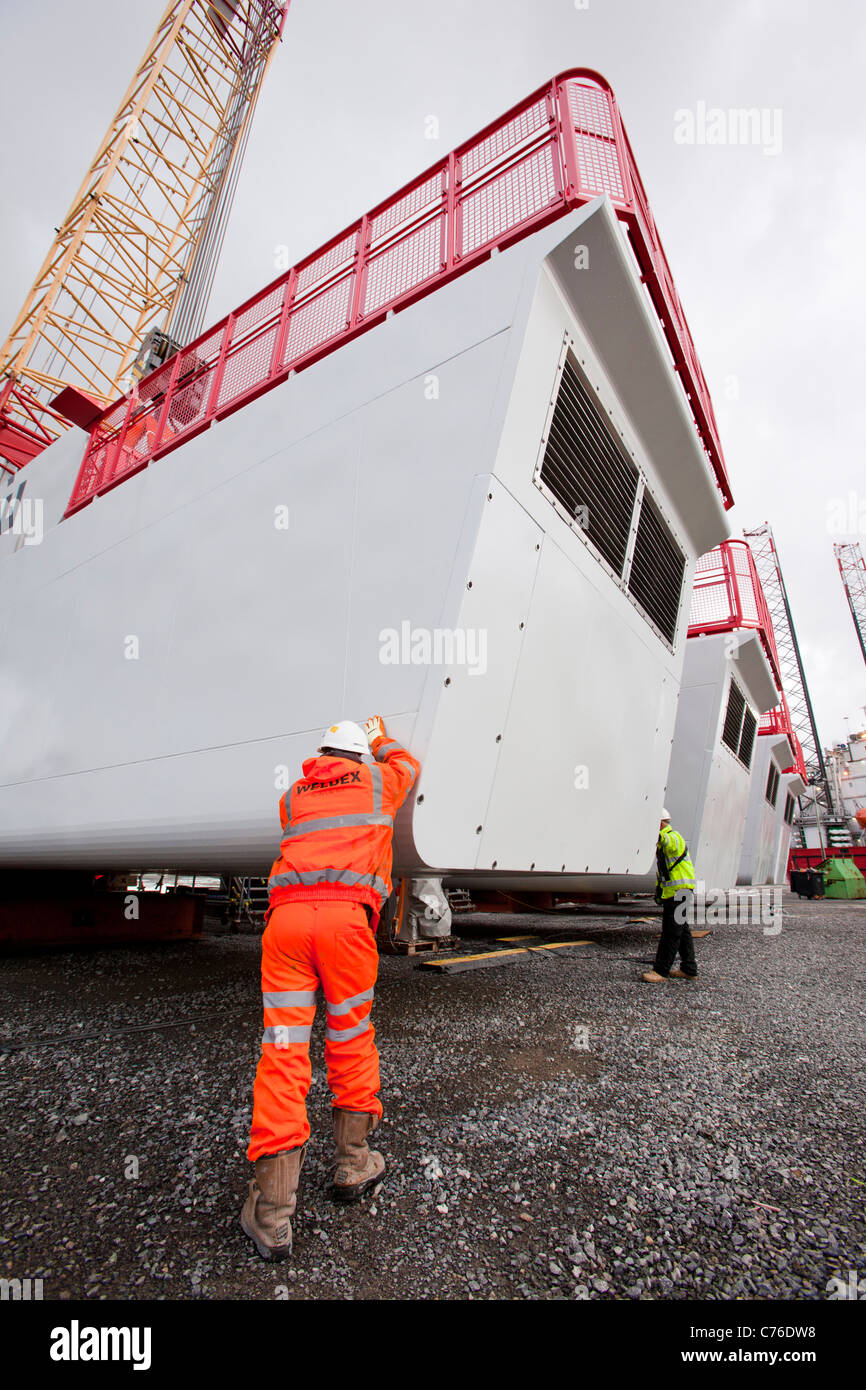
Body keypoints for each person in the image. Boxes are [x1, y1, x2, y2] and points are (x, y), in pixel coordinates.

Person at [240, 715, 420, 1261]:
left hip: (287, 929)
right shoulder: (376, 780)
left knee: (284, 1052)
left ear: (320, 753)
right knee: (350, 1036)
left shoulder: (293, 796)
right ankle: (353, 1163)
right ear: (359, 757)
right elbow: (406, 766)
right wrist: (382, 735)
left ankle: (272, 1214)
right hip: (346, 926)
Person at [642, 808, 698, 983]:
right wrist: (660, 891)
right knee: (682, 932)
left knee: (671, 933)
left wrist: (652, 834)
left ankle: (661, 971)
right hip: (677, 892)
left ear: (659, 823)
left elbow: (667, 842)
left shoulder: (673, 836)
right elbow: (665, 873)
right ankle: (689, 969)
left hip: (679, 893)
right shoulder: (668, 840)